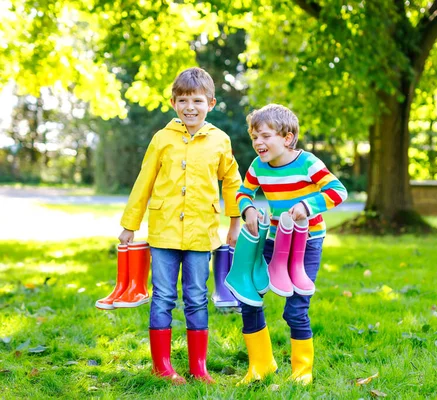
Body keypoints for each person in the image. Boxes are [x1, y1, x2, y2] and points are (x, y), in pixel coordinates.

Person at [118, 67, 242, 384]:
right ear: (174, 102)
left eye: (197, 100)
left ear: (210, 103)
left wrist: (235, 221)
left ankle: (198, 367)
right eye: (183, 100)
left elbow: (232, 182)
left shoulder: (220, 140)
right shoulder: (162, 139)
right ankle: (162, 366)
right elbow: (143, 182)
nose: (190, 107)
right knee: (162, 297)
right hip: (164, 232)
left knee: (197, 296)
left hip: (202, 233)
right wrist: (130, 224)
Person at [232, 104, 348, 385]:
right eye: (254, 137)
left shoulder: (308, 163)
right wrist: (247, 210)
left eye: (265, 136)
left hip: (306, 243)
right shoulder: (258, 166)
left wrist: (308, 206)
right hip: (273, 238)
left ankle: (302, 371)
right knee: (249, 297)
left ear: (287, 138)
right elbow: (243, 192)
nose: (258, 143)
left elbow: (338, 191)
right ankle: (261, 365)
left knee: (295, 309)